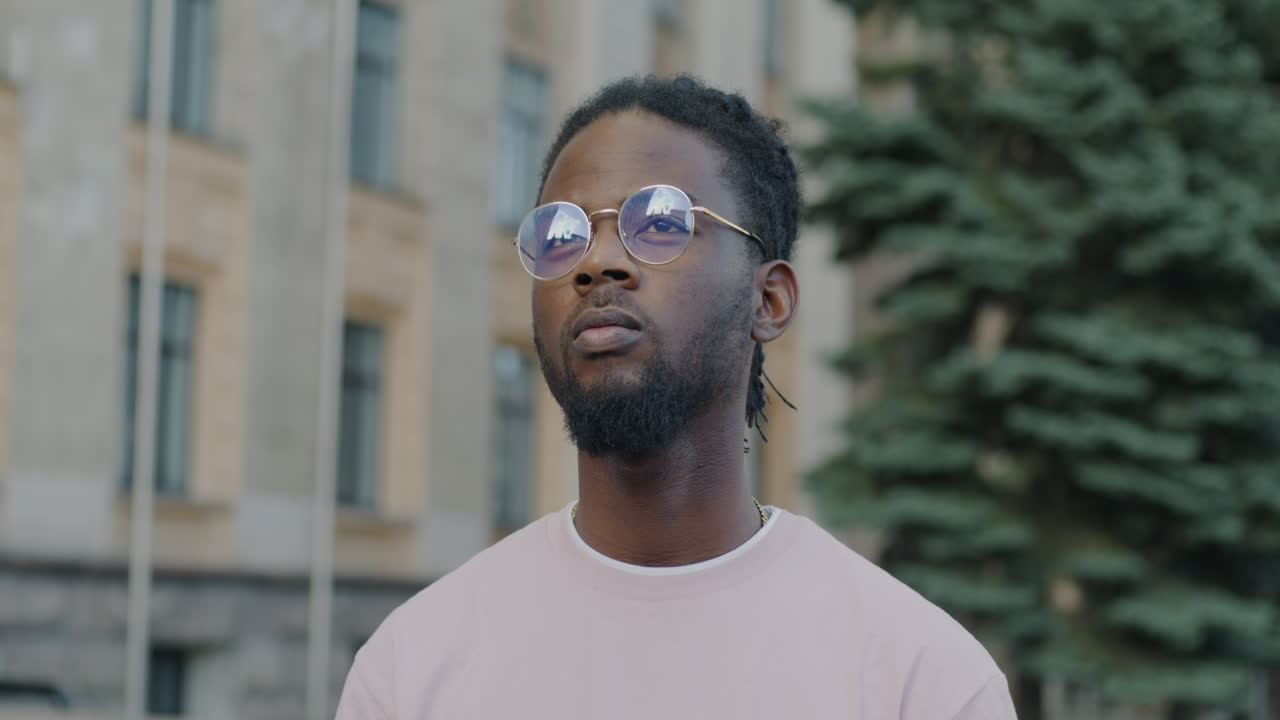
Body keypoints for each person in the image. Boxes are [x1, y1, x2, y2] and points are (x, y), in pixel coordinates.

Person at [335, 74, 1018, 720]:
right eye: (562, 235)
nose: (598, 262)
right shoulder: (412, 668)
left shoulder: (919, 681)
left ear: (770, 299)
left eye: (658, 223)